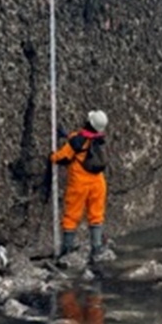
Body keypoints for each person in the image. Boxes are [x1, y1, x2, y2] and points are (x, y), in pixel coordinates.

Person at [51, 110, 109, 259]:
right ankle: (96, 248)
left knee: (72, 215)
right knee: (96, 215)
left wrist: (52, 157)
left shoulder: (78, 141)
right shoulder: (99, 139)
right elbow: (82, 139)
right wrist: (68, 135)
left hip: (80, 183)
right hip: (98, 182)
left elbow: (63, 157)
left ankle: (67, 250)